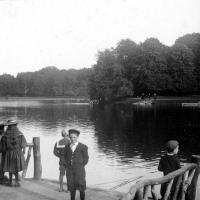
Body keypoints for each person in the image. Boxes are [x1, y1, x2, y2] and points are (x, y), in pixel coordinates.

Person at [64, 129, 89, 200]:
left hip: (79, 171)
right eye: (71, 137)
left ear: (77, 137)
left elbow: (86, 159)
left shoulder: (83, 147)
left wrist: (80, 166)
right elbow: (65, 157)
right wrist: (68, 164)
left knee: (81, 187)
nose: (72, 139)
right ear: (69, 137)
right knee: (72, 188)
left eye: (74, 137)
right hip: (70, 171)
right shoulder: (67, 146)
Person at [1, 120, 27, 187]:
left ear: (9, 126)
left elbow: (3, 148)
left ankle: (10, 182)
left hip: (8, 153)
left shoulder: (5, 135)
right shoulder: (20, 133)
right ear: (15, 125)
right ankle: (16, 182)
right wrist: (23, 152)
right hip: (18, 152)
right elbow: (23, 145)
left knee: (10, 167)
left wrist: (4, 152)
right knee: (16, 167)